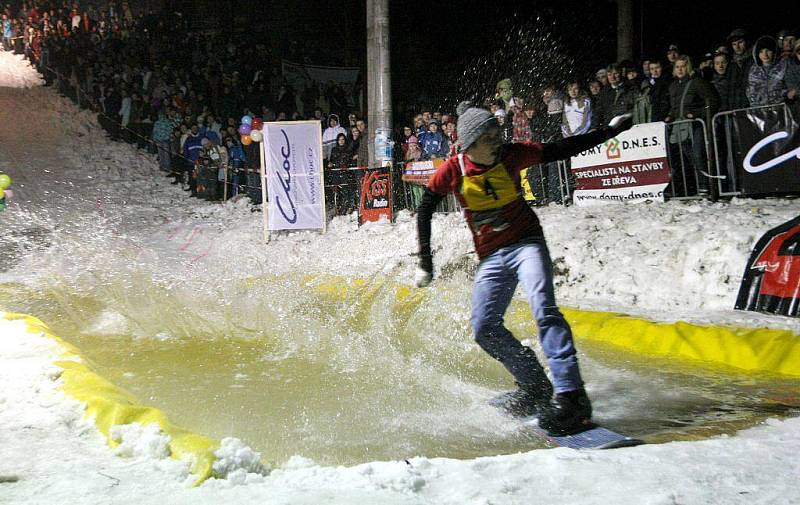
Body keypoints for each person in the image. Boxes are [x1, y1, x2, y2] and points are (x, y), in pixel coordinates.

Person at [413, 100, 633, 436]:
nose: (497, 142)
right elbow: (425, 208)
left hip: (527, 244)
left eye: (497, 133)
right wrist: (426, 262)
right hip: (491, 257)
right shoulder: (454, 169)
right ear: (469, 145)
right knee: (484, 328)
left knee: (543, 307)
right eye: (488, 139)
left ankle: (571, 396)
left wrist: (611, 131)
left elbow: (563, 148)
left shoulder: (514, 154)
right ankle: (535, 387)